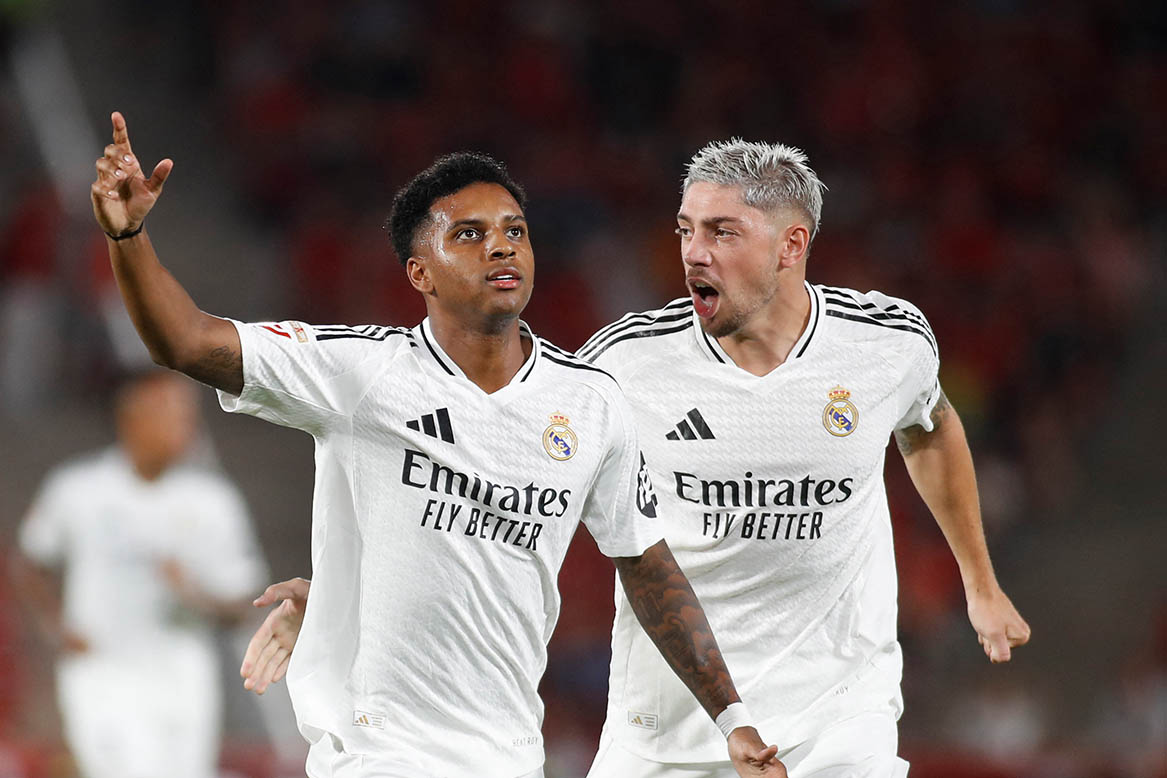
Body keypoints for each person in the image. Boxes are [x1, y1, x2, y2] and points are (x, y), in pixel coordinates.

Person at [245, 139, 1033, 777]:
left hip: (839, 712)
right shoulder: (623, 362)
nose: (693, 252)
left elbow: (927, 428)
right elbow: (498, 458)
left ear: (792, 245)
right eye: (686, 228)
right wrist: (345, 588)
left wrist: (979, 581)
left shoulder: (886, 343)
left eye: (722, 232)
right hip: (665, 726)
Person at [89, 112, 784, 778]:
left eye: (515, 230)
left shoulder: (591, 402)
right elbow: (187, 340)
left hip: (510, 756)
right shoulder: (363, 375)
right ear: (420, 272)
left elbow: (648, 566)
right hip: (378, 757)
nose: (503, 246)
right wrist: (129, 239)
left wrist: (731, 718)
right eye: (471, 235)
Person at [13, 370, 266, 778]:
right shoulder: (78, 488)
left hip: (181, 675)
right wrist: (54, 626)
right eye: (170, 412)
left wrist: (195, 594)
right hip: (101, 669)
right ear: (131, 418)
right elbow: (30, 561)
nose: (185, 426)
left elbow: (245, 603)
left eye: (187, 414)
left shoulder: (213, 501)